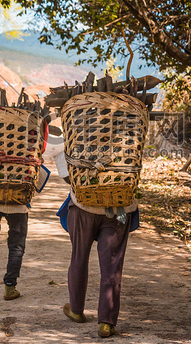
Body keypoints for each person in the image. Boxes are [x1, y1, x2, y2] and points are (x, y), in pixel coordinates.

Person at [49, 137, 139, 338]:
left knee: (79, 258)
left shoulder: (78, 131)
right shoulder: (128, 136)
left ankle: (76, 309)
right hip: (119, 209)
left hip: (83, 207)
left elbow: (67, 175)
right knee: (112, 264)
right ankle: (106, 323)